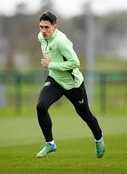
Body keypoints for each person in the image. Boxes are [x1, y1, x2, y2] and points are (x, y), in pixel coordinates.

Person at [36, 11, 105, 158]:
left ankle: (99, 138)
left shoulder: (61, 41)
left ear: (55, 27)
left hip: (72, 83)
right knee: (41, 106)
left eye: (46, 27)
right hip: (55, 80)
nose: (43, 31)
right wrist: (52, 66)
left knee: (85, 115)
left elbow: (75, 63)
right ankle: (50, 144)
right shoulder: (41, 37)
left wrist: (51, 64)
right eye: (41, 27)